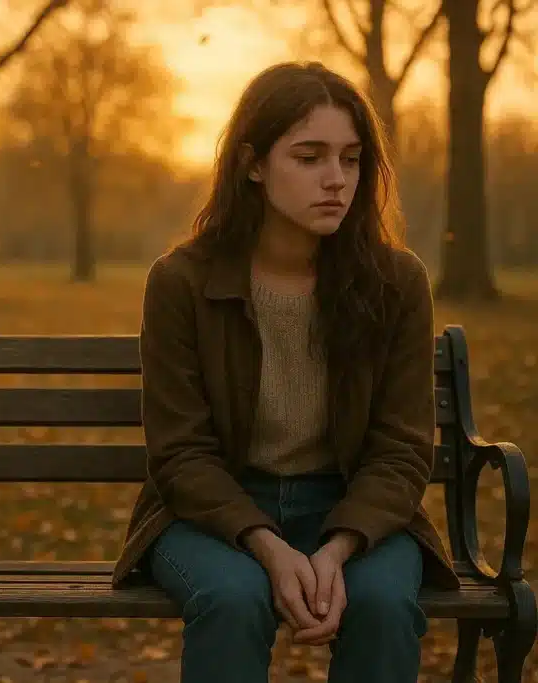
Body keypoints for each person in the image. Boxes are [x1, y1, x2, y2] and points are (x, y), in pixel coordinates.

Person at [111, 61, 459, 683]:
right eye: (309, 156)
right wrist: (266, 545)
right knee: (233, 599)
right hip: (213, 513)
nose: (336, 180)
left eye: (351, 159)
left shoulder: (395, 283)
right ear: (252, 163)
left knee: (381, 604)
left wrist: (340, 545)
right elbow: (180, 452)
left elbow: (402, 448)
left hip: (353, 508)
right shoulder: (183, 282)